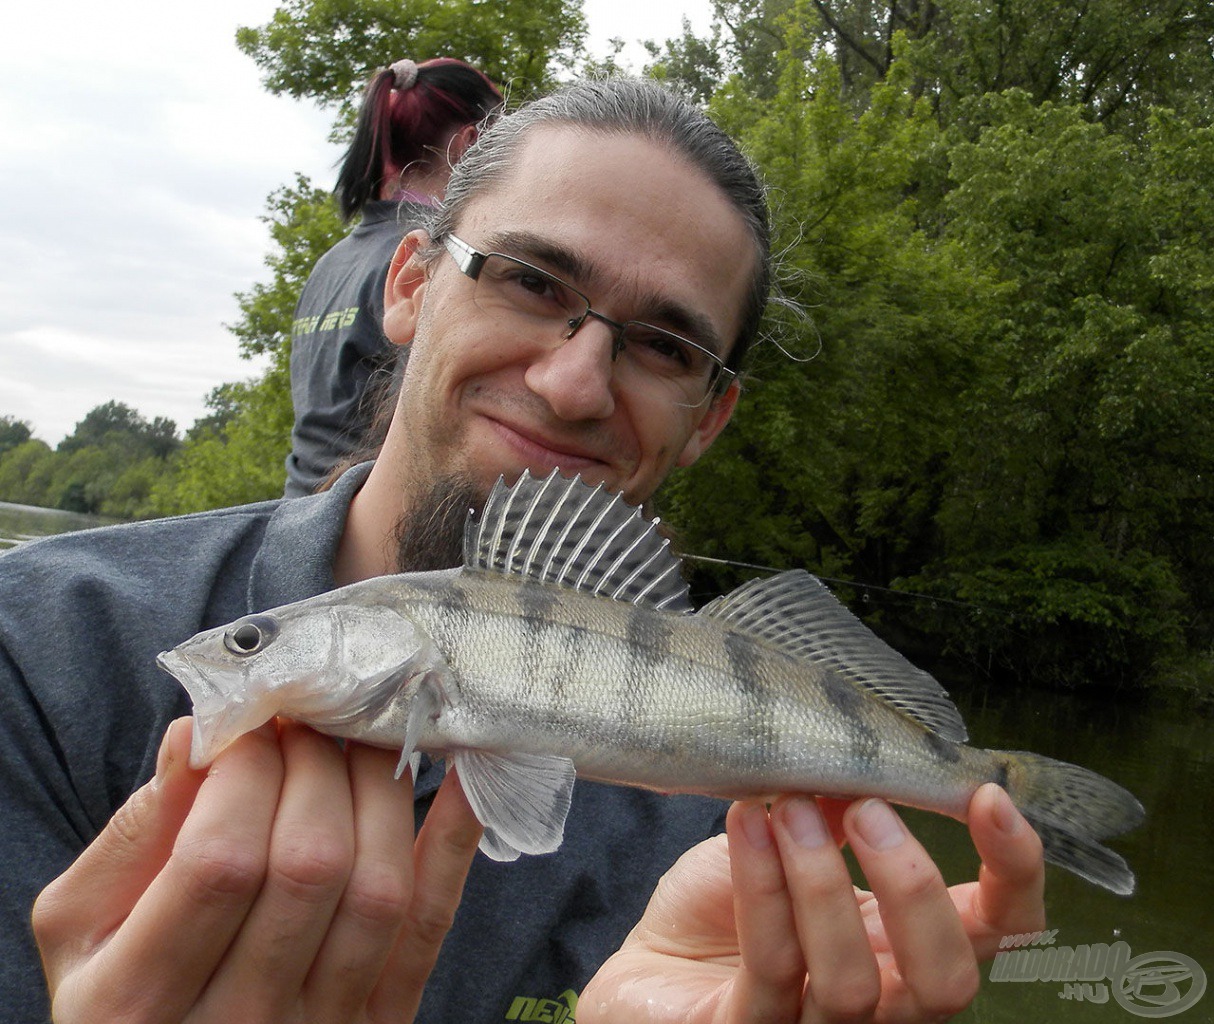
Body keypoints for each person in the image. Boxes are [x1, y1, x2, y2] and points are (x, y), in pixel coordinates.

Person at [0, 78, 1046, 1023]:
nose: (572, 383)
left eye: (663, 345)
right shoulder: (36, 653)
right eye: (532, 281)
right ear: (406, 284)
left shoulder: (722, 852)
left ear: (709, 418)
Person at [284, 56, 503, 498]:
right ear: (468, 146)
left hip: (299, 517)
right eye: (503, 147)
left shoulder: (333, 262)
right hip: (381, 539)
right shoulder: (438, 258)